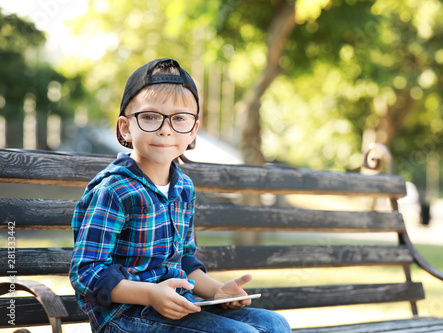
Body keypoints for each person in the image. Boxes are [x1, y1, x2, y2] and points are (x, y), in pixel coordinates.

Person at [69, 57, 292, 333]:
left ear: (193, 130)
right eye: (150, 116)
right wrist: (151, 294)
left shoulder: (183, 188)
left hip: (175, 307)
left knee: (274, 324)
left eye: (179, 119)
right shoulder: (114, 189)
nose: (165, 129)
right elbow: (86, 273)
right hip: (122, 316)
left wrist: (218, 291)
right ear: (126, 127)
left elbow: (184, 260)